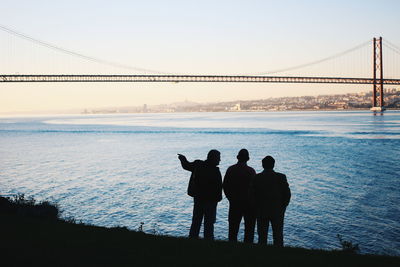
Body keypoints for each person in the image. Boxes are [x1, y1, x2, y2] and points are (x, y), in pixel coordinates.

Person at [178, 150, 222, 240]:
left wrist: (183, 159)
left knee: (196, 221)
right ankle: (208, 241)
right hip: (210, 201)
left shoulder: (198, 164)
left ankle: (193, 239)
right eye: (218, 158)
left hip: (198, 199)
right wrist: (218, 199)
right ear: (213, 158)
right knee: (209, 223)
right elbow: (218, 188)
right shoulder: (215, 171)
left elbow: (186, 166)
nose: (220, 160)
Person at [252, 156, 291, 247]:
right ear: (273, 165)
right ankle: (278, 255)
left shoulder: (257, 177)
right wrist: (283, 207)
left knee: (262, 236)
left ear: (262, 165)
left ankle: (262, 255)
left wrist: (256, 207)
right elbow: (287, 194)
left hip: (261, 210)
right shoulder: (281, 177)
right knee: (278, 235)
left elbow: (252, 194)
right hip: (277, 210)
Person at [223, 149, 256, 243]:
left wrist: (230, 198)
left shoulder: (231, 169)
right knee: (249, 229)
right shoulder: (251, 171)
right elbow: (255, 188)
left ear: (237, 157)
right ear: (248, 159)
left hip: (234, 202)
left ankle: (232, 247)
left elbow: (225, 186)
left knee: (233, 229)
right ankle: (247, 249)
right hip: (248, 203)